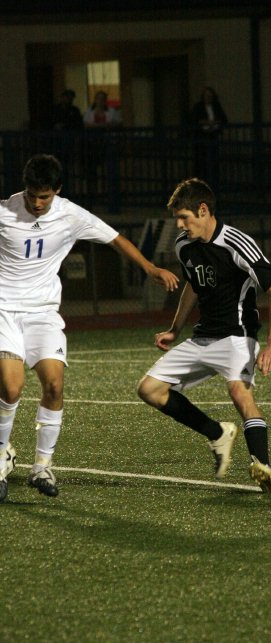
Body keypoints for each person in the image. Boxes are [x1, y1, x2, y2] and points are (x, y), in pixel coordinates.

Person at [0, 154, 179, 503]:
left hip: (44, 314)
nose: (38, 203)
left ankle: (42, 466)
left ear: (57, 191)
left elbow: (115, 239)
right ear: (24, 190)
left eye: (45, 197)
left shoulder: (70, 214)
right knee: (11, 386)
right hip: (4, 310)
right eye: (33, 195)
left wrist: (150, 268)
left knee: (54, 384)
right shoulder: (5, 212)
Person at [138, 178, 271, 493]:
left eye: (184, 217)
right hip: (203, 336)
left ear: (203, 210)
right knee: (149, 389)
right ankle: (217, 432)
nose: (179, 225)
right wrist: (175, 329)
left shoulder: (236, 242)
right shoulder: (184, 245)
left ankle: (263, 466)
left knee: (239, 392)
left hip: (237, 335)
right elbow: (193, 285)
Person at [190, 87, 228, 190]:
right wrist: (206, 123)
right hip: (202, 137)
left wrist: (215, 123)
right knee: (202, 162)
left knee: (213, 161)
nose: (208, 98)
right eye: (206, 96)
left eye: (210, 96)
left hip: (213, 136)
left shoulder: (216, 106)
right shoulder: (199, 107)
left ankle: (213, 185)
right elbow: (195, 120)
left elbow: (223, 119)